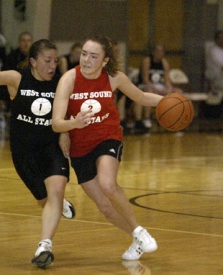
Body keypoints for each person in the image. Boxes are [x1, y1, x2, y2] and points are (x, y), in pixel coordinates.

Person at [52, 35, 162, 261]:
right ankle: (136, 237)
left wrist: (169, 99)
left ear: (104, 61)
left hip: (108, 137)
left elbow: (141, 97)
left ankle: (140, 230)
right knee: (104, 206)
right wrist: (73, 124)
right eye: (84, 54)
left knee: (108, 184)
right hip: (80, 147)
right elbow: (56, 122)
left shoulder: (113, 77)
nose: (86, 60)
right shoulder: (68, 79)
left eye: (93, 56)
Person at [0, 28, 75, 268]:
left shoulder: (60, 84)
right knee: (46, 201)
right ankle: (57, 205)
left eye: (54, 61)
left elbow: (66, 113)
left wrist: (65, 133)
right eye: (47, 61)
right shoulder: (17, 78)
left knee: (56, 190)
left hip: (51, 148)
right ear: (33, 61)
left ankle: (45, 245)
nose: (52, 65)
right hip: (23, 154)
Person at [133, 43, 183, 131]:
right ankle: (147, 118)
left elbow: (167, 80)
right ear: (153, 52)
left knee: (178, 92)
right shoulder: (147, 60)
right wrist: (157, 90)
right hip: (146, 85)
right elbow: (145, 79)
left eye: (162, 51)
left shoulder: (164, 62)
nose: (160, 53)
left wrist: (169, 88)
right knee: (149, 92)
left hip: (159, 85)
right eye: (158, 51)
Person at [0, 31, 33, 109]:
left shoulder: (37, 57)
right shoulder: (11, 57)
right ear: (19, 43)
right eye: (23, 41)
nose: (26, 44)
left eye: (28, 41)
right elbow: (3, 76)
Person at [203, 29, 223, 118]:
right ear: (216, 40)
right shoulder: (213, 51)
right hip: (217, 78)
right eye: (219, 38)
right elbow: (222, 65)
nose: (222, 40)